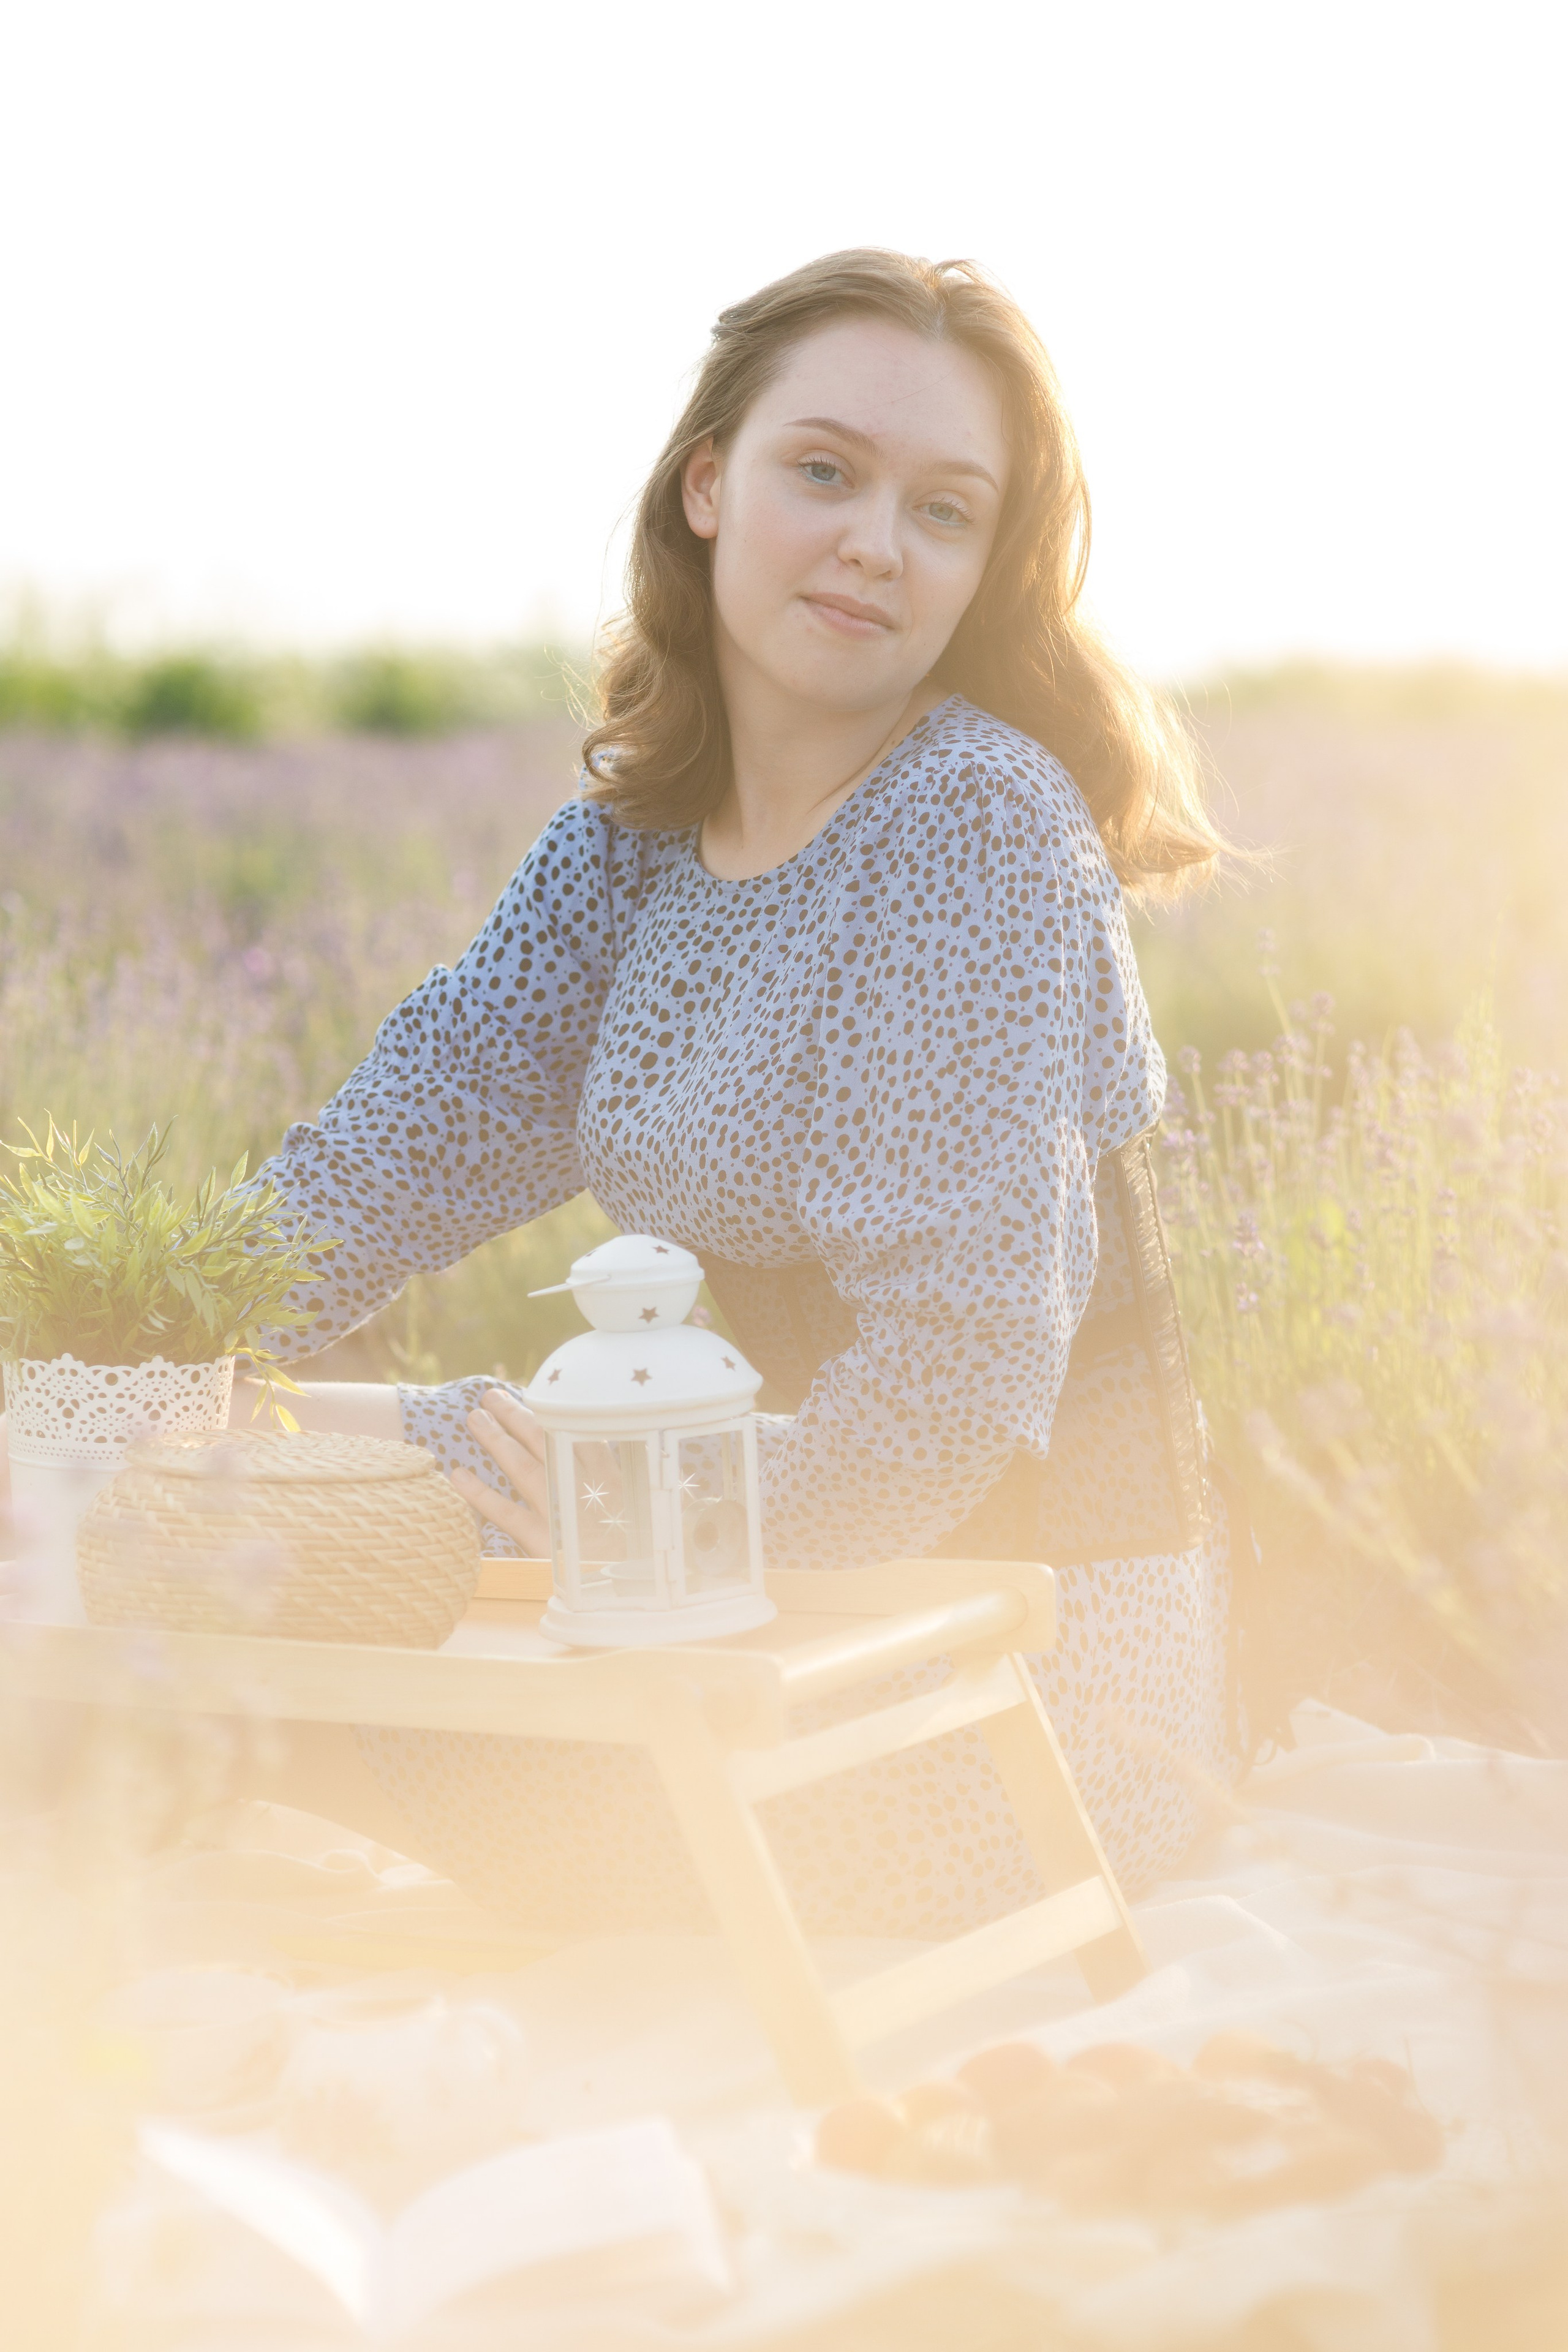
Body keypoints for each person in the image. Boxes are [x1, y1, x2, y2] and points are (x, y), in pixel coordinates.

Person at [236, 251, 1238, 1931]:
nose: (873, 540)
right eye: (825, 471)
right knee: (240, 1475)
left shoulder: (977, 831)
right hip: (731, 1561)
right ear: (711, 483)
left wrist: (664, 1517)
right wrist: (141, 1344)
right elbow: (392, 1153)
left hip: (1011, 1663)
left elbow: (959, 1388)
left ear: (984, 564)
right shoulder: (628, 853)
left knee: (334, 1655)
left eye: (943, 510)